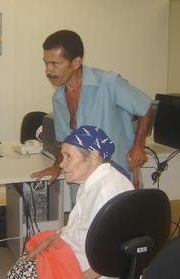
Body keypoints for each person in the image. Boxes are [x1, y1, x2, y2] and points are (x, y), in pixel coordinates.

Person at [6, 125, 134, 279]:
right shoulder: (94, 179)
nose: (61, 163)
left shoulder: (106, 193)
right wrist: (47, 242)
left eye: (68, 157)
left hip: (90, 269)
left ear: (93, 156)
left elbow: (116, 251)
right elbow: (79, 227)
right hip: (78, 252)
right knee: (31, 251)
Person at [32, 30, 152, 188]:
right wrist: (56, 166)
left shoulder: (108, 83)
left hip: (114, 177)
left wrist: (138, 146)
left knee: (114, 212)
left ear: (76, 63)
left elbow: (145, 107)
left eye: (54, 64)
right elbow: (66, 143)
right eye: (46, 63)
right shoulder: (58, 98)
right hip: (82, 179)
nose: (48, 70)